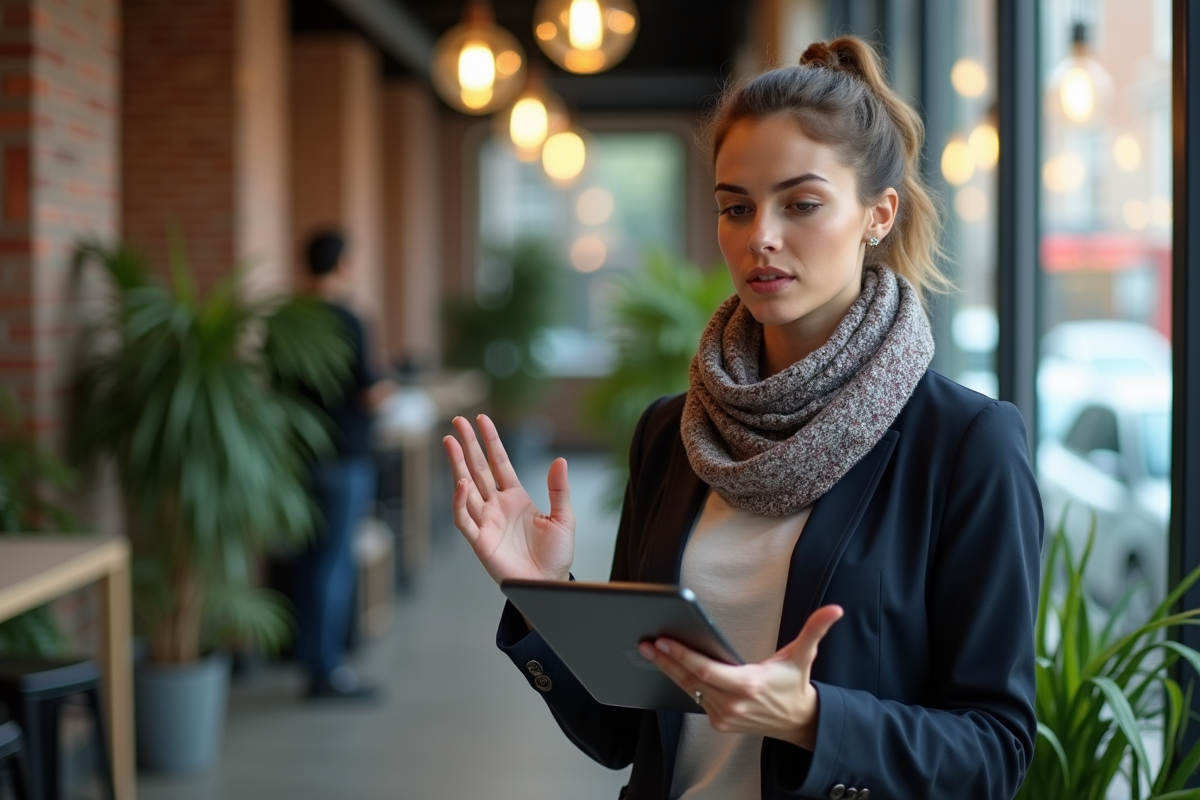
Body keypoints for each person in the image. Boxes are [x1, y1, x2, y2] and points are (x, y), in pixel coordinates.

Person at [442, 36, 1042, 800]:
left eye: (802, 204)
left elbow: (995, 751)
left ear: (878, 214)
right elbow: (623, 733)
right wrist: (542, 594)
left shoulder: (965, 445)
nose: (761, 235)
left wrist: (816, 721)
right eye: (736, 206)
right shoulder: (674, 434)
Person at [295, 230, 394, 700]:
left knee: (310, 559)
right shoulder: (349, 319)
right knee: (334, 563)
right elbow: (369, 391)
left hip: (297, 458)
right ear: (343, 265)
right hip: (344, 458)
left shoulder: (288, 321)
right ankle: (326, 671)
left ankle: (310, 657)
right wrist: (388, 386)